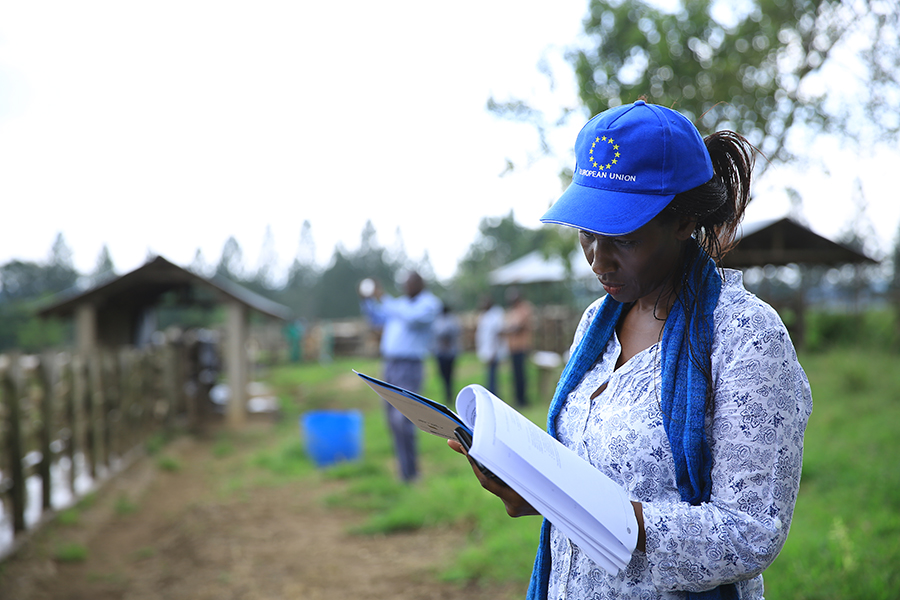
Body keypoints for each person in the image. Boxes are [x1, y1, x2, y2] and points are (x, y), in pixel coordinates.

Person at [449, 100, 812, 599]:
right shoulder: (594, 326)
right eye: (586, 232)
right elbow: (585, 471)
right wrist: (536, 490)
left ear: (683, 219)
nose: (598, 259)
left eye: (620, 235)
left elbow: (751, 530)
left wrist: (607, 515)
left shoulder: (746, 338)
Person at [361, 271, 442, 483]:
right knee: (391, 419)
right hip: (390, 365)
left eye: (409, 283)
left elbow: (411, 318)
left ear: (419, 283)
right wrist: (367, 301)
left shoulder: (429, 304)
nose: (405, 287)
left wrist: (383, 299)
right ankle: (404, 470)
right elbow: (378, 318)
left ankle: (413, 472)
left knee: (403, 419)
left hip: (409, 366)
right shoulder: (398, 305)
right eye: (403, 284)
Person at [503, 286, 534, 407]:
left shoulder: (524, 309)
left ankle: (523, 399)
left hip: (522, 347)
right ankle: (517, 398)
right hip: (512, 348)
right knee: (514, 375)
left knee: (522, 375)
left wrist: (509, 329)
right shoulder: (511, 311)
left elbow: (517, 327)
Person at [475, 295, 507, 395]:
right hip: (486, 350)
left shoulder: (496, 314)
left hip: (493, 351)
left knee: (492, 376)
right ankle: (490, 394)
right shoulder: (484, 315)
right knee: (489, 375)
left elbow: (497, 334)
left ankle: (493, 395)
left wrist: (494, 351)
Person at [432, 301, 462, 404]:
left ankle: (449, 395)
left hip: (450, 353)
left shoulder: (451, 320)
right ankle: (447, 394)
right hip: (440, 353)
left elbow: (451, 332)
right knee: (443, 375)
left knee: (449, 375)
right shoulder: (438, 320)